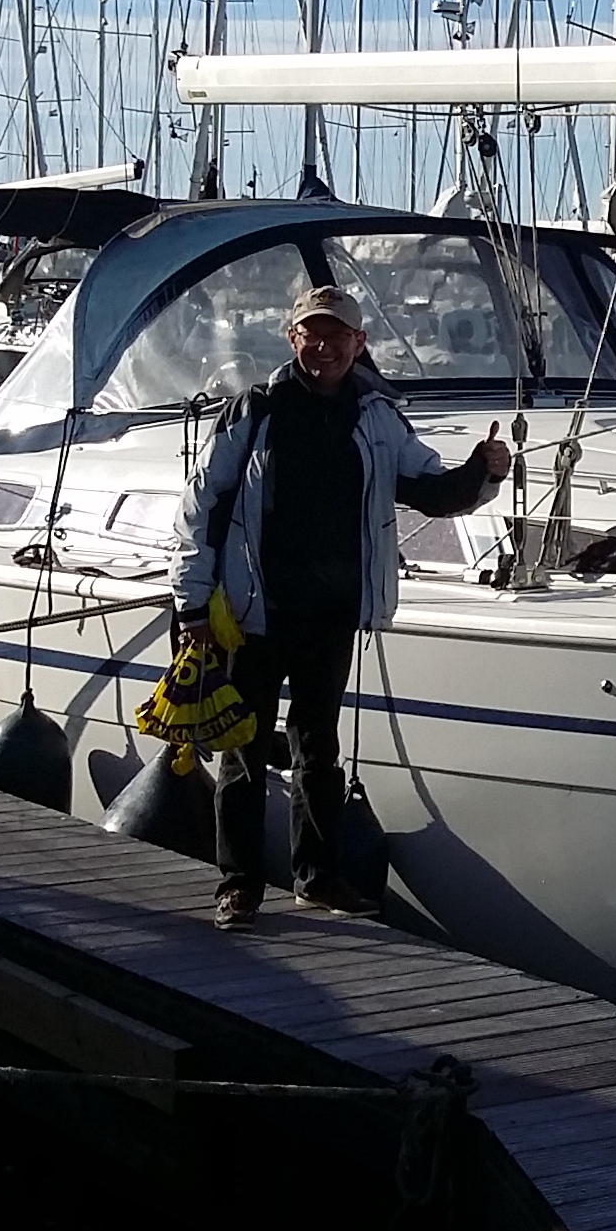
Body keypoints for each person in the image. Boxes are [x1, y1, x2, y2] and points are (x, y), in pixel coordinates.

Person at [173, 284, 509, 929]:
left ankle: (316, 878)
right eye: (311, 333)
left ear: (359, 344)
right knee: (241, 750)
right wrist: (191, 607)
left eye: (337, 335)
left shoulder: (378, 414)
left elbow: (432, 491)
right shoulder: (257, 411)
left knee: (318, 752)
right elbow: (203, 504)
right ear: (292, 338)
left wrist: (484, 471)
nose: (323, 346)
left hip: (331, 614)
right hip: (254, 613)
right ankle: (238, 884)